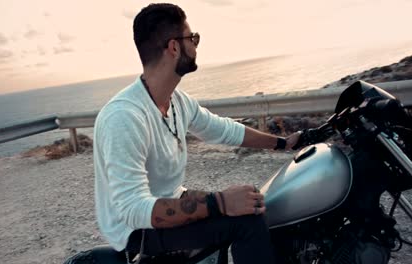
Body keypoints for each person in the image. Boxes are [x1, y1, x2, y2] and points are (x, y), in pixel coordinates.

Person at [93, 3, 300, 264]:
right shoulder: (124, 116)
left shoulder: (177, 101)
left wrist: (282, 143)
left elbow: (223, 129)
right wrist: (220, 203)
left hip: (170, 200)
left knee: (251, 201)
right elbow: (134, 210)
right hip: (137, 232)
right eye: (193, 38)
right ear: (174, 47)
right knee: (247, 222)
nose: (196, 44)